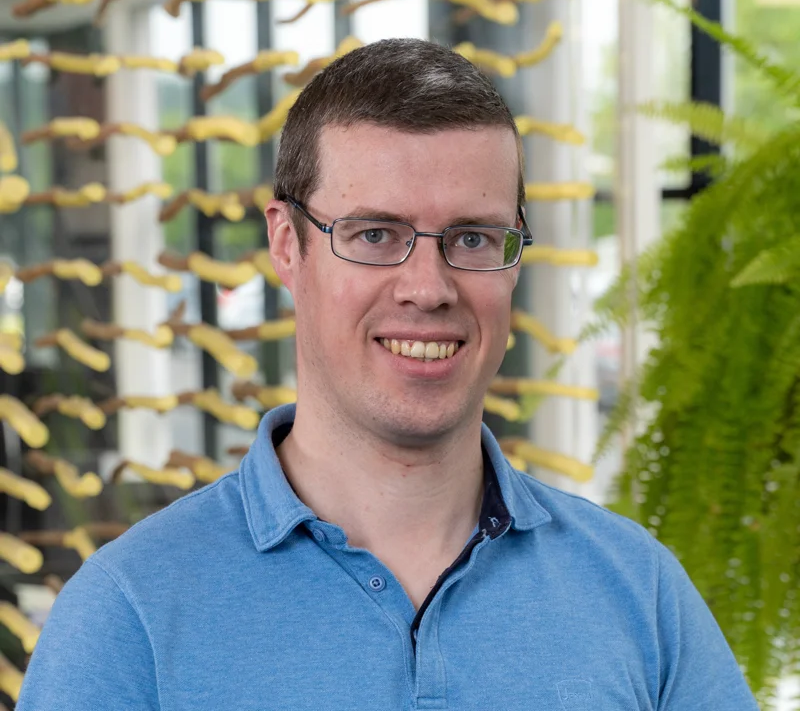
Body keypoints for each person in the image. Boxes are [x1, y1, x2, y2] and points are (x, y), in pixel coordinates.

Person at [17, 39, 758, 710]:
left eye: (474, 238)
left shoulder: (639, 594)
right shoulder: (129, 616)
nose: (428, 288)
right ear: (287, 245)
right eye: (375, 234)